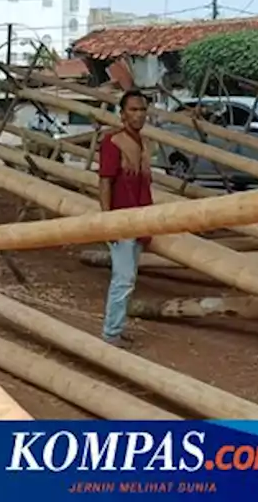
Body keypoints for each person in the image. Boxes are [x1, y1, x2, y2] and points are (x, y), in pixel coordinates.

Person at [97, 90, 154, 348]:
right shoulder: (113, 142)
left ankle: (116, 329)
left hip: (140, 219)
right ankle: (111, 334)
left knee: (128, 278)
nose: (138, 115)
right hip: (122, 220)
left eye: (142, 110)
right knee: (123, 279)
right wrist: (108, 220)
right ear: (122, 114)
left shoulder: (143, 144)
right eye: (133, 110)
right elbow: (105, 181)